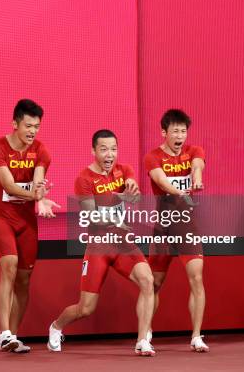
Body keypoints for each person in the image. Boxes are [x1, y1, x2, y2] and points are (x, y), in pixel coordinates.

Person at [47, 129, 155, 356]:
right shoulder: (83, 179)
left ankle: (143, 340)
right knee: (85, 308)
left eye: (114, 149)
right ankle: (56, 327)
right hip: (99, 246)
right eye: (104, 149)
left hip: (123, 242)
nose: (110, 154)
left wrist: (133, 192)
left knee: (147, 280)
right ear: (93, 151)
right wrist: (118, 209)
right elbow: (92, 215)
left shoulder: (124, 170)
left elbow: (133, 192)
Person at [0, 99, 59, 353]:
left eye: (36, 127)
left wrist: (40, 194)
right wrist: (37, 197)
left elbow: (38, 180)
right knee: (9, 266)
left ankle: (14, 336)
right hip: (2, 218)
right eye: (28, 126)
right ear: (14, 124)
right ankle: (4, 333)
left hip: (27, 222)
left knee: (24, 279)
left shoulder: (41, 150)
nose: (32, 132)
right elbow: (8, 186)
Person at [144, 109, 209, 352]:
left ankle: (196, 336)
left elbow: (197, 164)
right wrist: (178, 191)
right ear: (164, 133)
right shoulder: (152, 157)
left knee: (197, 279)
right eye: (175, 131)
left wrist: (197, 175)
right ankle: (146, 330)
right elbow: (161, 180)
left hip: (187, 227)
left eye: (183, 131)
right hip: (164, 227)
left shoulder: (194, 151)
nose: (180, 136)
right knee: (154, 282)